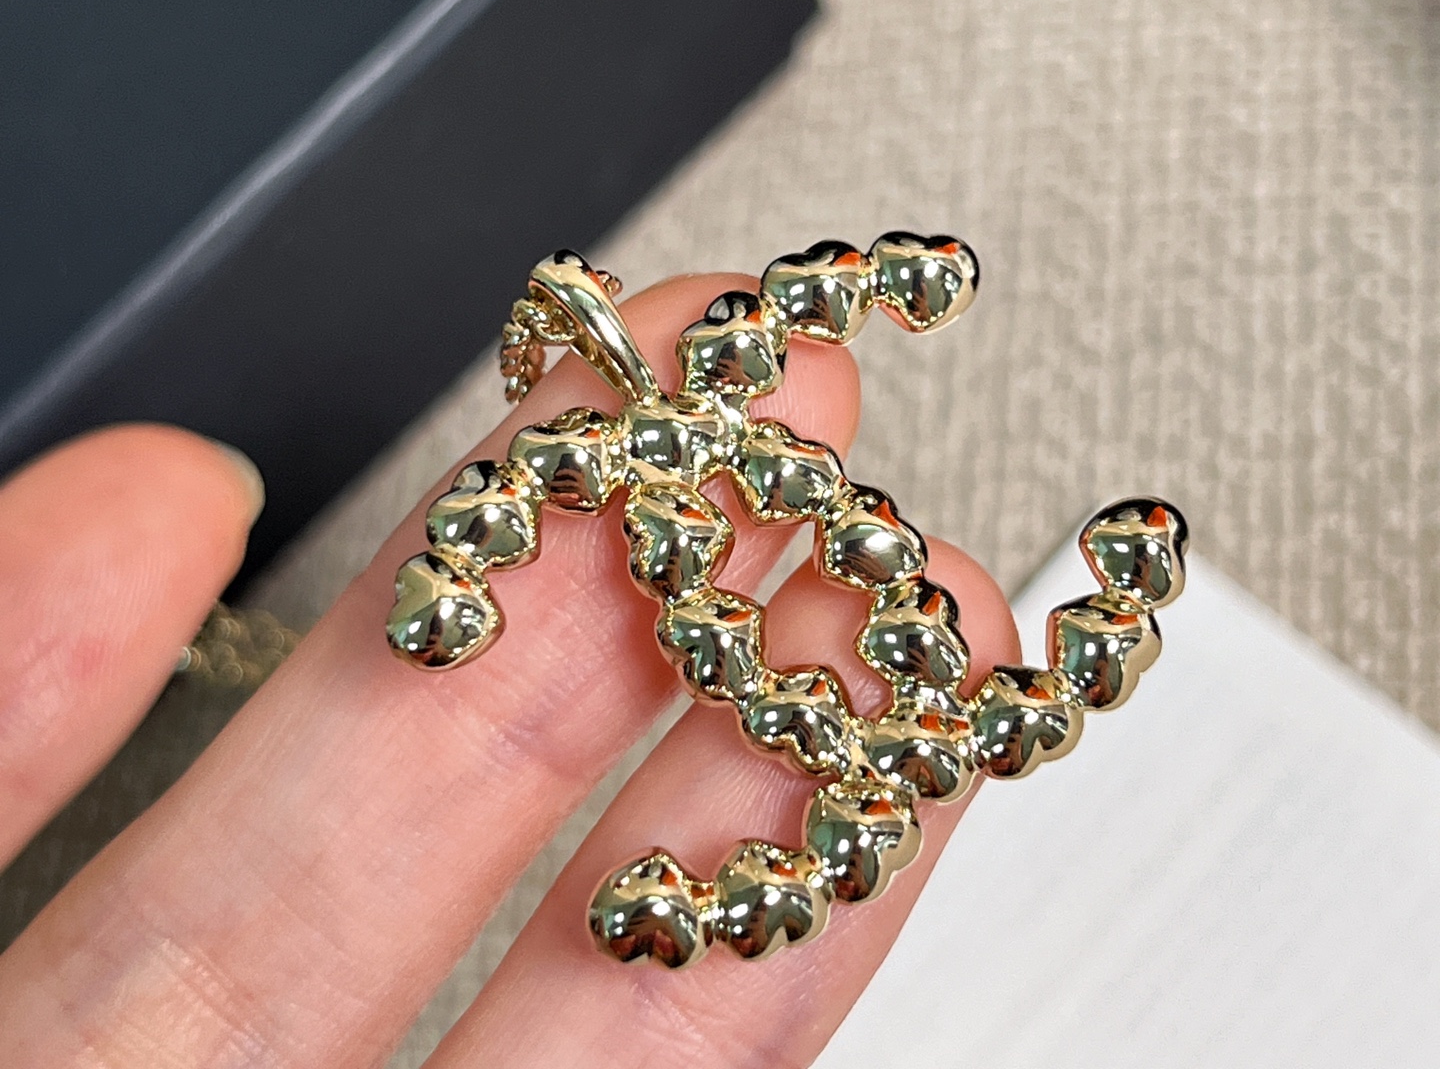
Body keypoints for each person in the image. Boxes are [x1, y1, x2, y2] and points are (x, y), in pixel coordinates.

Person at [0, 272, 1018, 1066]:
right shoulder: (621, 469)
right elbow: (494, 521)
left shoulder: (685, 436)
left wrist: (883, 280)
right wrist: (455, 583)